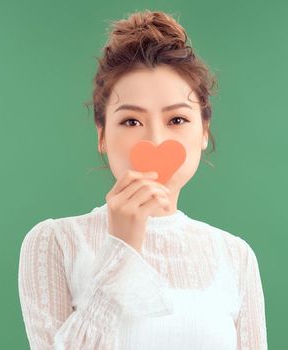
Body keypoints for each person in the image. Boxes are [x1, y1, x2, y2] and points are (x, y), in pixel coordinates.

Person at [18, 9, 267, 350]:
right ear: (102, 135)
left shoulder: (236, 257)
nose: (155, 141)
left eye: (177, 119)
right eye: (132, 122)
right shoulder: (56, 242)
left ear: (204, 132)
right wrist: (122, 248)